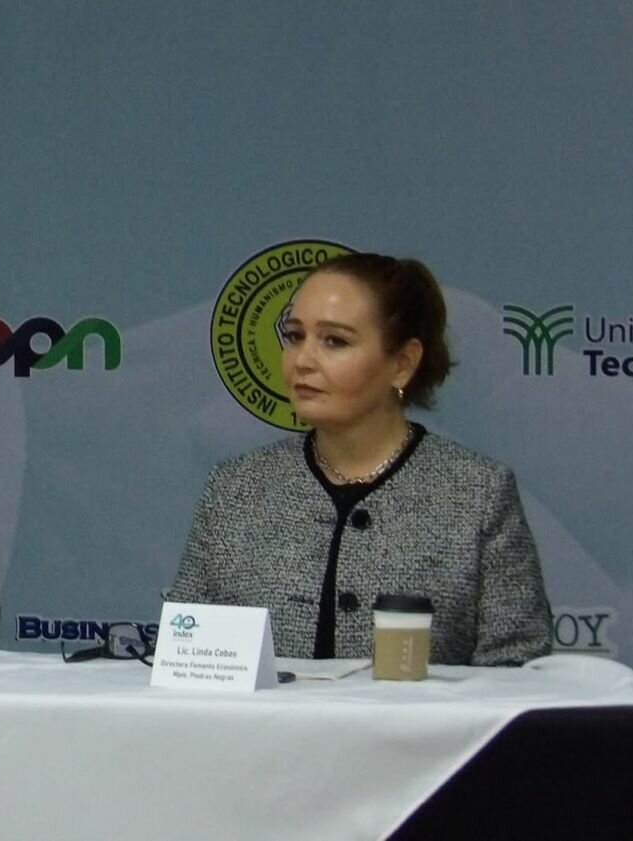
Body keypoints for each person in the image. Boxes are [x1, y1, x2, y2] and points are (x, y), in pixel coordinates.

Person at [170, 253, 551, 666]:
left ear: (402, 364)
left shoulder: (477, 493)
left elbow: (517, 670)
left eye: (334, 341)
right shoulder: (235, 488)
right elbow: (186, 658)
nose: (302, 360)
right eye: (295, 336)